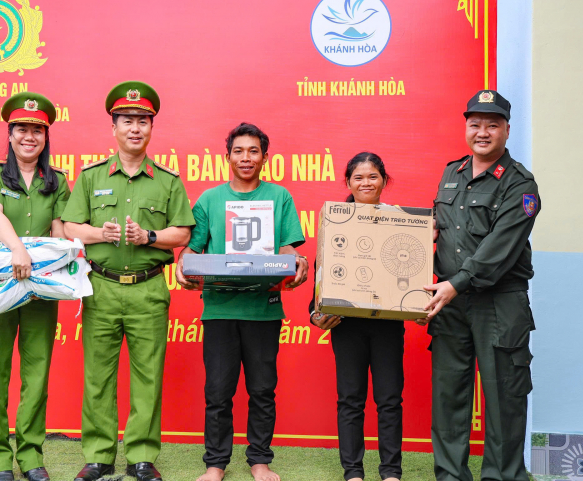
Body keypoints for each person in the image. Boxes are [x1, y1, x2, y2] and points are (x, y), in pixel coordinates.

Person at [63, 81, 195, 481]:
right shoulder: (90, 176)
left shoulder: (168, 181)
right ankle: (100, 454)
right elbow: (70, 225)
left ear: (152, 128)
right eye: (127, 121)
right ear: (114, 128)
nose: (135, 128)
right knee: (98, 375)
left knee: (148, 375)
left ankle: (141, 455)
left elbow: (183, 233)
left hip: (148, 287)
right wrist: (100, 233)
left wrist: (149, 237)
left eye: (142, 121)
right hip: (100, 286)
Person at [176, 123, 308, 481]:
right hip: (218, 309)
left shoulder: (279, 197)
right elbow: (193, 248)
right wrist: (180, 265)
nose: (246, 157)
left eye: (253, 151)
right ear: (227, 156)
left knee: (262, 390)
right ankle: (216, 464)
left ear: (265, 157)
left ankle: (260, 461)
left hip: (263, 311)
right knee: (218, 391)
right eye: (239, 151)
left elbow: (287, 249)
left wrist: (295, 262)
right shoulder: (209, 200)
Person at [424, 90, 539, 481]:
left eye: (492, 124)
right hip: (450, 305)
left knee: (504, 399)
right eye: (475, 124)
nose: (483, 132)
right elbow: (435, 230)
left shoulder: (520, 184)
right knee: (448, 397)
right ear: (466, 127)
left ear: (507, 129)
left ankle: (502, 476)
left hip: (499, 305)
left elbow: (497, 251)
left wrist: (454, 284)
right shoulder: (451, 173)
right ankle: (450, 475)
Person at [0, 92, 70, 481]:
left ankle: (31, 456)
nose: (29, 136)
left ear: (45, 137)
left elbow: (58, 230)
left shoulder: (57, 181)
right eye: (22, 128)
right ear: (10, 135)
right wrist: (18, 250)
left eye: (37, 130)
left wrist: (71, 257)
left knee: (37, 374)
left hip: (41, 288)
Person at [309, 152, 404, 481]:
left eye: (373, 176)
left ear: (384, 180)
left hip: (388, 325)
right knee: (350, 399)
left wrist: (419, 304)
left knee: (390, 399)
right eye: (359, 177)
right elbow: (320, 283)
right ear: (348, 182)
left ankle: (391, 472)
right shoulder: (334, 220)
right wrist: (315, 315)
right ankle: (353, 472)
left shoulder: (400, 220)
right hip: (346, 326)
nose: (366, 182)